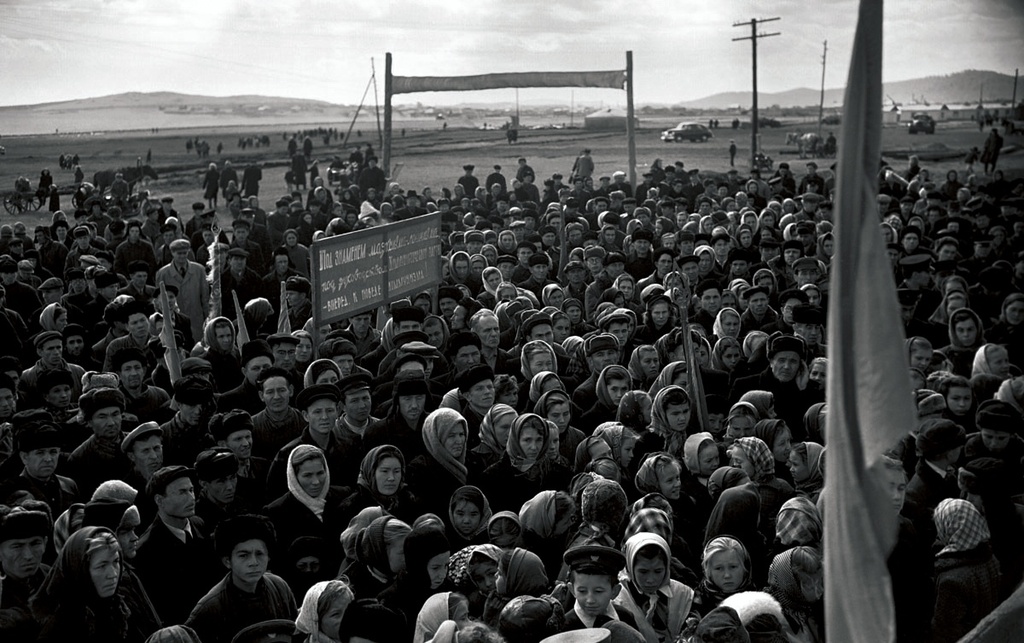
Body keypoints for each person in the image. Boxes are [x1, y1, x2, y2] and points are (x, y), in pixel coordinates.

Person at [31, 526, 156, 643]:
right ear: (80, 570)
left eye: (116, 561)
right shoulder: (61, 627)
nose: (112, 574)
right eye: (102, 566)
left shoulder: (120, 610)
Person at [185, 514, 296, 643]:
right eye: (244, 555)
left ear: (269, 557)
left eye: (259, 554)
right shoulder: (210, 607)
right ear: (227, 561)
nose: (253, 562)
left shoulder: (279, 586)